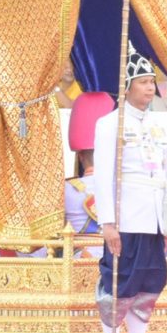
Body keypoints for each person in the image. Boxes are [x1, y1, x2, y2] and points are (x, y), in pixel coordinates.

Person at [94, 48, 167, 333]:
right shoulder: (109, 124)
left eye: (151, 82)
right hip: (126, 218)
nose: (149, 87)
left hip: (155, 218)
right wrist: (108, 222)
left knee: (150, 282)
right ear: (127, 87)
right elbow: (103, 175)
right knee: (121, 282)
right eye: (142, 81)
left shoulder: (159, 126)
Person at [65, 92, 115, 258]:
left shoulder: (66, 189)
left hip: (79, 262)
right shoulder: (124, 186)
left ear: (80, 157)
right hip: (117, 258)